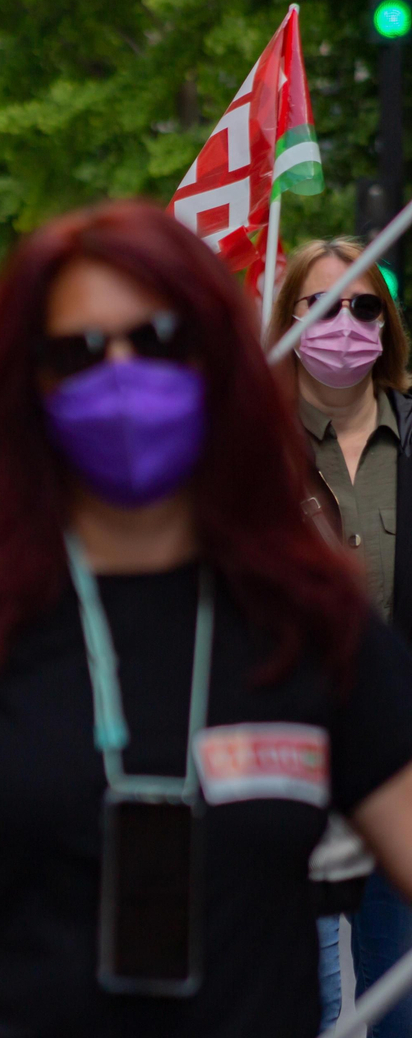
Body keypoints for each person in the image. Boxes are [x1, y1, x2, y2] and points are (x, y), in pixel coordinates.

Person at [0, 202, 412, 1038]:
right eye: (77, 350)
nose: (120, 372)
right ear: (29, 383)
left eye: (155, 340)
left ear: (217, 363)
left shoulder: (309, 615)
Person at [266, 237, 412, 1035]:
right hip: (290, 767)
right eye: (322, 307)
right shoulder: (252, 453)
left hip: (402, 768)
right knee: (305, 1005)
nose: (346, 323)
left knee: (401, 1004)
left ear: (387, 326)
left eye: (363, 307)